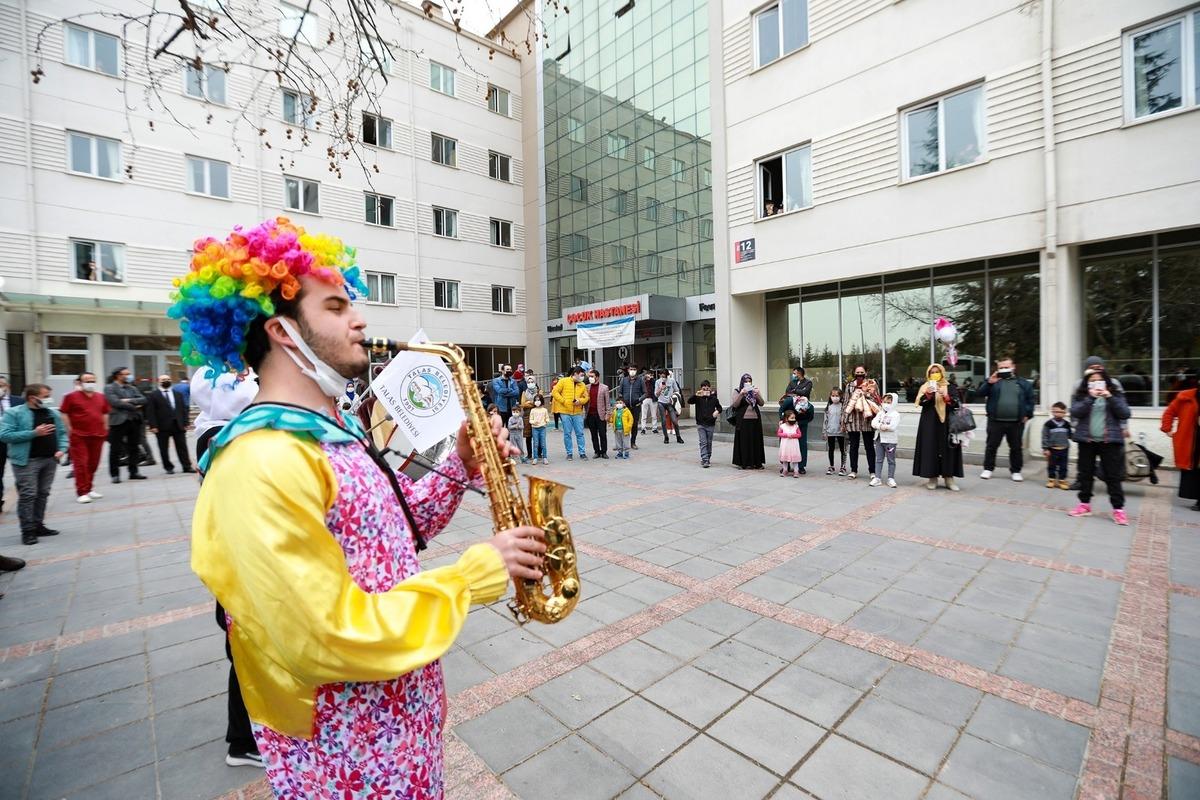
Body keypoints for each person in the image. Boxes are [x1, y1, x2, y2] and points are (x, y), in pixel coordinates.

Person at [179, 217, 546, 798]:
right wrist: (475, 575)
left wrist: (459, 464)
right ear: (282, 330)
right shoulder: (261, 460)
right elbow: (327, 635)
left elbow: (391, 537)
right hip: (344, 761)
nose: (360, 319)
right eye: (335, 307)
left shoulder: (334, 430)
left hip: (402, 736)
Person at [192, 364, 262, 768]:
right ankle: (243, 742)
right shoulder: (225, 437)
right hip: (241, 567)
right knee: (246, 655)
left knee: (245, 654)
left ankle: (248, 735)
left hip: (235, 563)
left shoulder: (212, 431)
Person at [0, 384, 68, 545]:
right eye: (45, 396)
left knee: (43, 493)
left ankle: (39, 525)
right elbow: (5, 435)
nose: (49, 399)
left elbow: (62, 433)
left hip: (50, 459)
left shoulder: (51, 413)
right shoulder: (13, 413)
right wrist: (34, 433)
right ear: (32, 397)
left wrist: (62, 449)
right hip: (26, 461)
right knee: (28, 495)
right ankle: (27, 531)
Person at [1069, 363, 1131, 525]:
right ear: (1087, 383)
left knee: (1113, 476)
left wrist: (1109, 396)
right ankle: (1084, 505)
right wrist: (1090, 397)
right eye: (1092, 380)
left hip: (1109, 442)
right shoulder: (1082, 395)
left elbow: (1125, 413)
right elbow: (1075, 412)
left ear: (1106, 381)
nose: (1096, 383)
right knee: (1085, 474)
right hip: (1087, 441)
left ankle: (1118, 510)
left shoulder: (1115, 394)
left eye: (1099, 380)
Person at [977, 357, 1035, 482]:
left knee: (1016, 447)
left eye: (1006, 367)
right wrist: (989, 382)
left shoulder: (1023, 383)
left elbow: (1031, 400)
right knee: (991, 446)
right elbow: (980, 393)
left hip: (1016, 422)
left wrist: (1027, 414)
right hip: (995, 421)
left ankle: (1016, 471)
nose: (1004, 369)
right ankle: (988, 469)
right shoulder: (994, 381)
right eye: (1001, 367)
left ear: (1013, 366)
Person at [59, 372, 110, 504]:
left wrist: (106, 428)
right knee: (81, 464)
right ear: (80, 383)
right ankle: (82, 492)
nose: (90, 382)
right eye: (87, 380)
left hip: (98, 435)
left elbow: (105, 413)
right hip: (79, 436)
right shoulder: (70, 397)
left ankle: (89, 488)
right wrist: (69, 429)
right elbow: (64, 413)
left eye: (92, 380)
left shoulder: (100, 397)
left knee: (93, 463)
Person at [913, 364, 963, 491]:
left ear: (942, 372)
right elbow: (920, 403)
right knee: (931, 448)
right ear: (928, 374)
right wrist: (929, 395)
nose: (935, 374)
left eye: (937, 371)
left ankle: (949, 478)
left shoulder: (950, 386)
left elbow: (957, 403)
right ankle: (932, 477)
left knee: (948, 448)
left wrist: (946, 397)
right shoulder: (925, 387)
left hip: (947, 423)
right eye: (932, 372)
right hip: (929, 422)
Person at [105, 366, 148, 483]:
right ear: (118, 375)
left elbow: (143, 399)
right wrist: (134, 406)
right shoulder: (109, 388)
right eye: (126, 374)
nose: (129, 376)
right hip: (118, 422)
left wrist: (127, 400)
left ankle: (133, 472)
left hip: (134, 420)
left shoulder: (132, 388)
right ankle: (115, 474)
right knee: (115, 449)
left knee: (134, 448)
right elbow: (115, 402)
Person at [1162, 380, 1200, 511]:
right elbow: (1169, 412)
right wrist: (1167, 428)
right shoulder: (1185, 397)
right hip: (1191, 440)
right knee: (1193, 469)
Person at [146, 374, 195, 475]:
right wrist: (153, 426)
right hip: (161, 426)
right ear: (158, 381)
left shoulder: (178, 394)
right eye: (164, 379)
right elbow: (150, 412)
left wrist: (186, 422)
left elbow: (184, 409)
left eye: (168, 379)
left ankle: (187, 466)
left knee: (182, 447)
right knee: (163, 448)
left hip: (178, 424)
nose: (166, 381)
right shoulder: (153, 395)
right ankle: (168, 467)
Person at [842, 365, 880, 481]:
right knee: (853, 446)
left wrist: (866, 394)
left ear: (866, 373)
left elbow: (877, 399)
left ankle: (872, 471)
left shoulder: (871, 384)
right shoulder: (849, 386)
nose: (859, 374)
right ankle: (854, 470)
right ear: (854, 373)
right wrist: (843, 419)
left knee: (869, 446)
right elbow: (846, 402)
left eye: (861, 372)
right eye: (857, 372)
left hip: (867, 419)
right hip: (853, 419)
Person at [552, 365, 589, 460]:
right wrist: (563, 401)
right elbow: (555, 392)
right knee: (567, 433)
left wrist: (579, 401)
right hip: (565, 412)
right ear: (575, 374)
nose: (582, 377)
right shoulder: (563, 381)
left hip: (577, 412)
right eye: (581, 375)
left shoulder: (582, 385)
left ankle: (582, 452)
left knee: (580, 433)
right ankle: (569, 453)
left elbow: (586, 398)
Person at [731, 374, 766, 470]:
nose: (748, 383)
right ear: (742, 381)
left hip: (755, 419)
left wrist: (757, 394)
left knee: (756, 441)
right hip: (743, 420)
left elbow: (762, 403)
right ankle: (744, 462)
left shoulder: (754, 390)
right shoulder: (738, 390)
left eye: (749, 381)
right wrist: (741, 394)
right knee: (744, 442)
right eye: (745, 381)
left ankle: (757, 462)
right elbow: (735, 405)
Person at [687, 380, 722, 468]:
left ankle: (707, 457)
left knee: (709, 442)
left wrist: (716, 412)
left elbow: (719, 407)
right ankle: (705, 459)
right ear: (701, 388)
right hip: (701, 424)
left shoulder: (714, 399)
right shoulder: (698, 398)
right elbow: (689, 401)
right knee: (703, 442)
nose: (706, 389)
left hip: (711, 424)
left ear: (710, 388)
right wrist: (696, 394)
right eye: (704, 388)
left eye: (707, 387)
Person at [0, 376, 23, 514]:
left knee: (22, 471)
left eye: (2, 385)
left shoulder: (18, 401)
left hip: (16, 440)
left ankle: (26, 498)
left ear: (7, 386)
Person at [870, 393, 901, 488]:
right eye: (884, 402)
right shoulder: (880, 413)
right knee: (879, 459)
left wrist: (884, 427)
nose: (886, 404)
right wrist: (880, 426)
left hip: (890, 441)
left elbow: (892, 427)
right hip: (879, 439)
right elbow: (873, 422)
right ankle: (877, 478)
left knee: (891, 460)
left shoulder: (895, 414)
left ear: (894, 403)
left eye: (889, 402)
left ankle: (890, 478)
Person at [1042, 402, 1073, 490]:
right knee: (1052, 465)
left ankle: (1062, 480)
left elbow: (1070, 435)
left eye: (1060, 412)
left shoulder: (1067, 424)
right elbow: (1045, 437)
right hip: (1052, 449)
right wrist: (1045, 448)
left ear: (1064, 413)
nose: (1057, 414)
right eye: (1055, 411)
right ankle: (1051, 480)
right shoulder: (1048, 424)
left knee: (1063, 466)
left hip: (1064, 449)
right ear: (1052, 412)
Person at [617, 365, 646, 450]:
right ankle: (623, 443)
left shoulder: (640, 381)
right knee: (623, 425)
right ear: (628, 370)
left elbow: (645, 393)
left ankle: (633, 442)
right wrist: (621, 400)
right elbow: (620, 392)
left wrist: (639, 400)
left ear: (636, 370)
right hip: (625, 407)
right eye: (631, 369)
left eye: (634, 369)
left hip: (636, 406)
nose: (632, 371)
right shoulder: (624, 380)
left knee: (634, 424)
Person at [585, 369, 610, 459]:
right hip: (590, 414)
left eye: (592, 376)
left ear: (597, 377)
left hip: (601, 414)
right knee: (593, 434)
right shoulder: (586, 387)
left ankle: (604, 452)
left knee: (603, 434)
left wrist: (608, 413)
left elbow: (607, 402)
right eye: (589, 376)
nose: (590, 378)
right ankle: (597, 451)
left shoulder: (604, 388)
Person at [657, 369, 684, 444]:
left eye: (664, 375)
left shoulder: (672, 380)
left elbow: (677, 390)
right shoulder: (658, 382)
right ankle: (666, 437)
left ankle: (678, 437)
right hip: (661, 402)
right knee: (664, 421)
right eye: (661, 374)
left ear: (667, 375)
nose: (663, 376)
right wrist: (660, 389)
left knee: (674, 420)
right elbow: (656, 394)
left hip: (670, 403)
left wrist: (673, 396)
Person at [824, 388, 847, 476]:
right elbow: (825, 421)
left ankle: (843, 467)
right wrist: (824, 432)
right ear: (830, 397)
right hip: (830, 431)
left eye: (837, 395)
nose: (835, 397)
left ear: (841, 396)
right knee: (831, 449)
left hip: (841, 432)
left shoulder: (843, 407)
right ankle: (831, 466)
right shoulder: (828, 407)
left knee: (843, 450)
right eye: (833, 396)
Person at [792, 394, 815, 474]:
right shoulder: (791, 403)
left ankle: (801, 466)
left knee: (802, 444)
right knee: (788, 444)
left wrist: (800, 423)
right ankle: (786, 464)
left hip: (802, 425)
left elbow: (810, 418)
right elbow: (783, 410)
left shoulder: (810, 407)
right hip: (790, 424)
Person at [777, 410, 803, 477]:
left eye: (794, 418)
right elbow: (779, 433)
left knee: (795, 459)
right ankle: (785, 470)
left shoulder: (796, 426)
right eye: (791, 418)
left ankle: (796, 471)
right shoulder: (782, 426)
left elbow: (799, 434)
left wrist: (793, 435)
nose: (793, 419)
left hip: (794, 445)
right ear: (786, 418)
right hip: (785, 445)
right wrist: (786, 435)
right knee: (785, 459)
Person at [518, 377, 537, 458]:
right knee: (528, 436)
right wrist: (533, 403)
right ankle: (529, 454)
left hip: (537, 415)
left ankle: (538, 453)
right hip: (527, 415)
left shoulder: (538, 391)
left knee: (537, 435)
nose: (530, 383)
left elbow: (540, 402)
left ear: (535, 382)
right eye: (528, 382)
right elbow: (523, 404)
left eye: (532, 381)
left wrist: (529, 402)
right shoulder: (524, 392)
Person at [529, 394, 550, 465]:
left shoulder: (544, 410)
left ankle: (545, 457)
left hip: (542, 428)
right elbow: (530, 420)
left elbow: (547, 418)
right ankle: (535, 458)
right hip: (535, 428)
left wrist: (546, 422)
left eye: (538, 400)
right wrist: (534, 422)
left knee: (543, 443)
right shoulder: (532, 410)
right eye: (536, 400)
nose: (537, 402)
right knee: (535, 443)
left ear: (541, 401)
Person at [639, 368, 659, 436]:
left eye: (650, 374)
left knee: (654, 415)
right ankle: (643, 429)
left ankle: (654, 428)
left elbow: (656, 386)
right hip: (645, 399)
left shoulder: (654, 381)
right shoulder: (642, 381)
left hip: (653, 399)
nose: (648, 376)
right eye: (647, 374)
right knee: (644, 415)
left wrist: (651, 379)